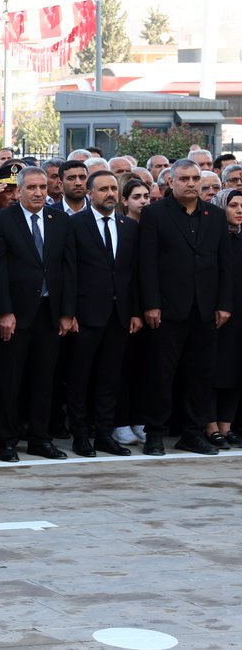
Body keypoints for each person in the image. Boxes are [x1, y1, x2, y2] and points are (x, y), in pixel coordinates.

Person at [139, 159, 232, 456]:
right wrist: (151, 304)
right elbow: (147, 264)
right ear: (171, 183)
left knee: (200, 375)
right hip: (166, 309)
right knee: (160, 374)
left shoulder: (215, 216)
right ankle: (155, 433)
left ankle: (193, 433)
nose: (191, 183)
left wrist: (223, 304)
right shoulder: (154, 214)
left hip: (205, 310)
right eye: (185, 179)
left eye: (195, 179)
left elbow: (224, 265)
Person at [0, 166, 76, 462]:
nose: (39, 192)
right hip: (15, 314)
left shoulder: (60, 220)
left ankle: (40, 438)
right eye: (32, 188)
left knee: (44, 379)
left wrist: (67, 312)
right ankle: (7, 440)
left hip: (48, 312)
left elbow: (68, 268)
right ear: (20, 190)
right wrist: (4, 311)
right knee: (9, 380)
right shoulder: (2, 220)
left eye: (43, 187)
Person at [65, 170, 141, 457]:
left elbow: (133, 274)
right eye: (103, 189)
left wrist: (134, 311)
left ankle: (105, 435)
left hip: (119, 316)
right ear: (90, 193)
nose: (109, 193)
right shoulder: (74, 224)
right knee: (80, 378)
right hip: (86, 315)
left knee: (111, 379)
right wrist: (68, 312)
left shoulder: (128, 226)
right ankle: (80, 436)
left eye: (113, 189)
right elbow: (69, 271)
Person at [208, 189, 242, 447]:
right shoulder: (213, 238)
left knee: (235, 370)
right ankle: (210, 426)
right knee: (212, 370)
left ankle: (227, 426)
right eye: (233, 205)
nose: (239, 210)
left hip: (240, 315)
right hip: (217, 312)